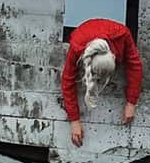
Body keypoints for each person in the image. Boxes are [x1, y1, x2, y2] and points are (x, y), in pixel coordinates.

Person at [61, 17, 143, 147]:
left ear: (114, 56)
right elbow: (67, 79)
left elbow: (135, 66)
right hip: (86, 34)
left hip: (112, 33)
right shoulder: (77, 45)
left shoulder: (123, 35)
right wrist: (74, 120)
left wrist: (131, 102)